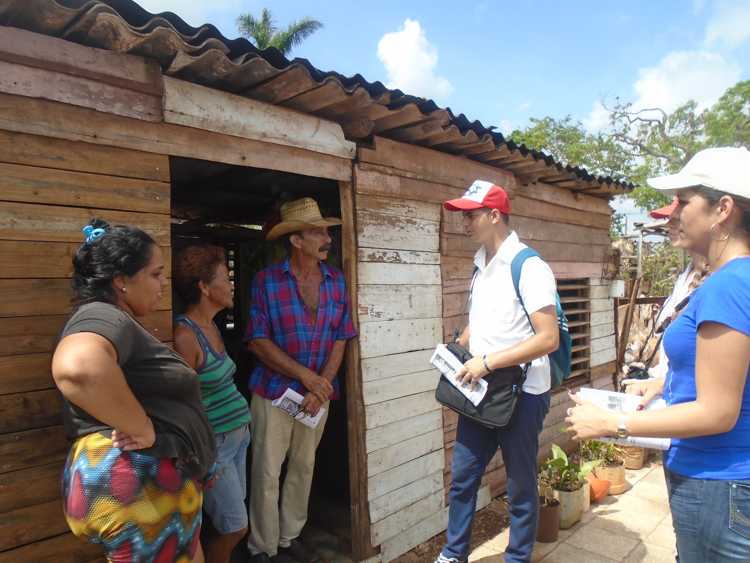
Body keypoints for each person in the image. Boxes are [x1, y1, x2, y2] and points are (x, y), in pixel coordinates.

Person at [566, 147, 750, 563]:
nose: (675, 214)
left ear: (722, 209)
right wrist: (665, 382)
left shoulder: (728, 285)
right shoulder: (733, 280)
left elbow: (718, 412)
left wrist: (613, 423)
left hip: (718, 482)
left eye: (684, 202)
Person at [52, 219, 216, 563]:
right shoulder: (103, 315)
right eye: (156, 274)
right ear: (122, 280)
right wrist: (142, 427)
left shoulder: (115, 320)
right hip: (139, 484)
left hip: (148, 487)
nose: (164, 284)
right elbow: (78, 366)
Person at [435, 180, 560, 563]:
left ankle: (517, 557)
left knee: (521, 484)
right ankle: (454, 553)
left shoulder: (529, 266)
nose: (464, 223)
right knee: (463, 480)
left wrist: (487, 362)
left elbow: (548, 339)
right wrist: (457, 349)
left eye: (470, 215)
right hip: (482, 392)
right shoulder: (480, 265)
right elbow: (482, 324)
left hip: (523, 394)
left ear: (494, 215)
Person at [245, 198, 357, 563]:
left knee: (304, 466)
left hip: (317, 394)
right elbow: (257, 340)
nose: (327, 238)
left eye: (327, 231)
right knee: (266, 469)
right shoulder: (266, 281)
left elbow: (341, 336)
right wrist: (306, 377)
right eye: (317, 232)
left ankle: (289, 535)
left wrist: (321, 384)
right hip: (273, 391)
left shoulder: (336, 281)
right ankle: (263, 545)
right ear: (296, 241)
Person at [173, 245, 252, 563]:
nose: (231, 284)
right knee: (235, 528)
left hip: (238, 436)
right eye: (225, 277)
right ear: (204, 287)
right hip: (214, 447)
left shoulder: (211, 326)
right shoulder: (185, 337)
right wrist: (202, 461)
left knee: (227, 522)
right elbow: (182, 407)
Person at [645, 199, 708, 380]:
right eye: (669, 217)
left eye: (679, 217)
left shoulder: (718, 283)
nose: (669, 222)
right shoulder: (685, 276)